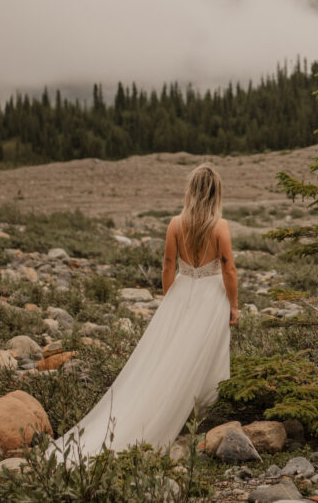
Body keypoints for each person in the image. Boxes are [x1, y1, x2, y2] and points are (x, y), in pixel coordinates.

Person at [51, 163, 239, 462]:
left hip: (181, 292)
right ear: (217, 193)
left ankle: (169, 409)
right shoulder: (220, 226)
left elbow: (167, 265)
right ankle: (195, 416)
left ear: (190, 191)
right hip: (212, 296)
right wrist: (234, 304)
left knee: (168, 357)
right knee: (204, 355)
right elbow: (228, 267)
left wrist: (171, 299)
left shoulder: (176, 223)